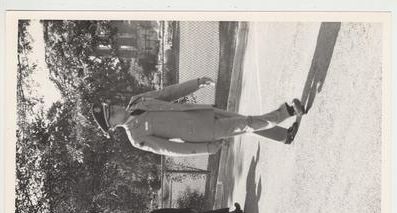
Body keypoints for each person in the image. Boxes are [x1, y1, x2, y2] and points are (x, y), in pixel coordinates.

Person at [91, 77, 305, 156]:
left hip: (201, 113)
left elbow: (167, 94)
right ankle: (286, 111)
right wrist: (205, 149)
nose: (115, 108)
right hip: (202, 132)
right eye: (111, 113)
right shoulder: (136, 137)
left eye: (110, 106)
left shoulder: (136, 101)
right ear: (112, 126)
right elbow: (170, 149)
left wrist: (196, 83)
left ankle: (284, 136)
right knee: (246, 124)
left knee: (245, 121)